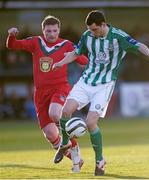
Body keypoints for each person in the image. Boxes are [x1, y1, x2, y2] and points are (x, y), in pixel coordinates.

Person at [52, 10, 149, 176]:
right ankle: (65, 143)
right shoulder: (88, 36)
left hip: (105, 85)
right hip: (86, 81)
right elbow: (76, 52)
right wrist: (61, 62)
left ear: (103, 25)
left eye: (95, 29)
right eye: (90, 29)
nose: (92, 32)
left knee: (90, 122)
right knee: (65, 112)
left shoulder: (118, 36)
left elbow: (138, 45)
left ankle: (99, 161)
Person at [6, 15, 88, 172]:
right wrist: (11, 35)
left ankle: (72, 143)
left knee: (55, 113)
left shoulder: (66, 44)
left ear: (59, 30)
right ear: (43, 30)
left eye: (55, 30)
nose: (52, 34)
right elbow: (13, 45)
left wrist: (79, 59)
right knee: (50, 134)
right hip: (41, 93)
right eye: (48, 31)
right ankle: (76, 157)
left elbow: (82, 59)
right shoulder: (36, 42)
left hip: (60, 88)